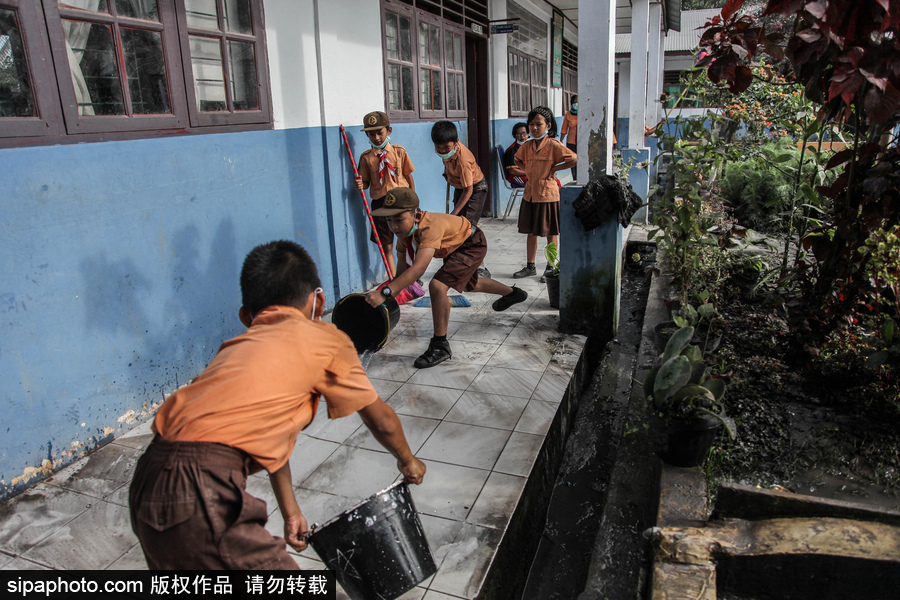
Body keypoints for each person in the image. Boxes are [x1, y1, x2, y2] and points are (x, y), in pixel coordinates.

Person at [129, 240, 426, 570]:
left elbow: (271, 442)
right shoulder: (324, 337)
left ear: (246, 315)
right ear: (319, 300)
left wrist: (290, 511)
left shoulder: (236, 349)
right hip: (200, 487)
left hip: (148, 478)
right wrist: (408, 459)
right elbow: (380, 418)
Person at [364, 188, 528, 369]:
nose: (393, 226)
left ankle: (440, 345)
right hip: (455, 246)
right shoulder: (405, 234)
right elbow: (402, 273)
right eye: (389, 220)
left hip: (471, 243)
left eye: (399, 219)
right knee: (470, 286)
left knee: (438, 285)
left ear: (416, 215)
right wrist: (388, 297)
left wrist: (385, 291)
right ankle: (513, 294)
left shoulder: (428, 227)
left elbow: (418, 269)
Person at [513, 106, 577, 283]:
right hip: (530, 194)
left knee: (551, 232)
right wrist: (527, 170)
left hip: (548, 194)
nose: (534, 128)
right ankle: (530, 266)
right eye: (531, 124)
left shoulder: (553, 144)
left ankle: (551, 267)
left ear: (548, 126)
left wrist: (555, 168)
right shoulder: (527, 146)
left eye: (538, 124)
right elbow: (517, 159)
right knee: (530, 231)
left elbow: (573, 158)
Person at [355, 111, 416, 278]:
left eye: (379, 132)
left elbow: (409, 177)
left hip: (402, 201)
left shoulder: (399, 152)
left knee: (407, 240)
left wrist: (413, 203)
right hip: (381, 205)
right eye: (371, 133)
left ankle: (410, 276)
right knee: (387, 245)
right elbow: (366, 183)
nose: (376, 137)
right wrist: (361, 184)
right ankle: (393, 279)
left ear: (389, 130)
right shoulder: (366, 158)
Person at [431, 120, 491, 279]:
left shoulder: (463, 160)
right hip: (460, 187)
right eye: (439, 148)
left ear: (456, 142)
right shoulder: (446, 153)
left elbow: (469, 190)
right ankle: (458, 260)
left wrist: (454, 212)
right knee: (457, 225)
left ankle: (480, 267)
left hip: (476, 189)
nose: (443, 151)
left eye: (446, 148)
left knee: (468, 227)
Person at [503, 122, 529, 188]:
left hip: (528, 173)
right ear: (515, 135)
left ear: (528, 134)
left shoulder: (529, 146)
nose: (522, 136)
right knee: (540, 182)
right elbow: (512, 170)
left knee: (552, 181)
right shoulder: (512, 150)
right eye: (519, 134)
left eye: (524, 133)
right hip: (518, 177)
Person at [560, 96, 579, 179]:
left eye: (578, 102)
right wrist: (561, 141)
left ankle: (580, 177)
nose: (576, 104)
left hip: (582, 142)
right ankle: (574, 177)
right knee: (572, 160)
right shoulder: (568, 114)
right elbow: (564, 128)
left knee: (581, 161)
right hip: (571, 142)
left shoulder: (584, 113)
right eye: (574, 102)